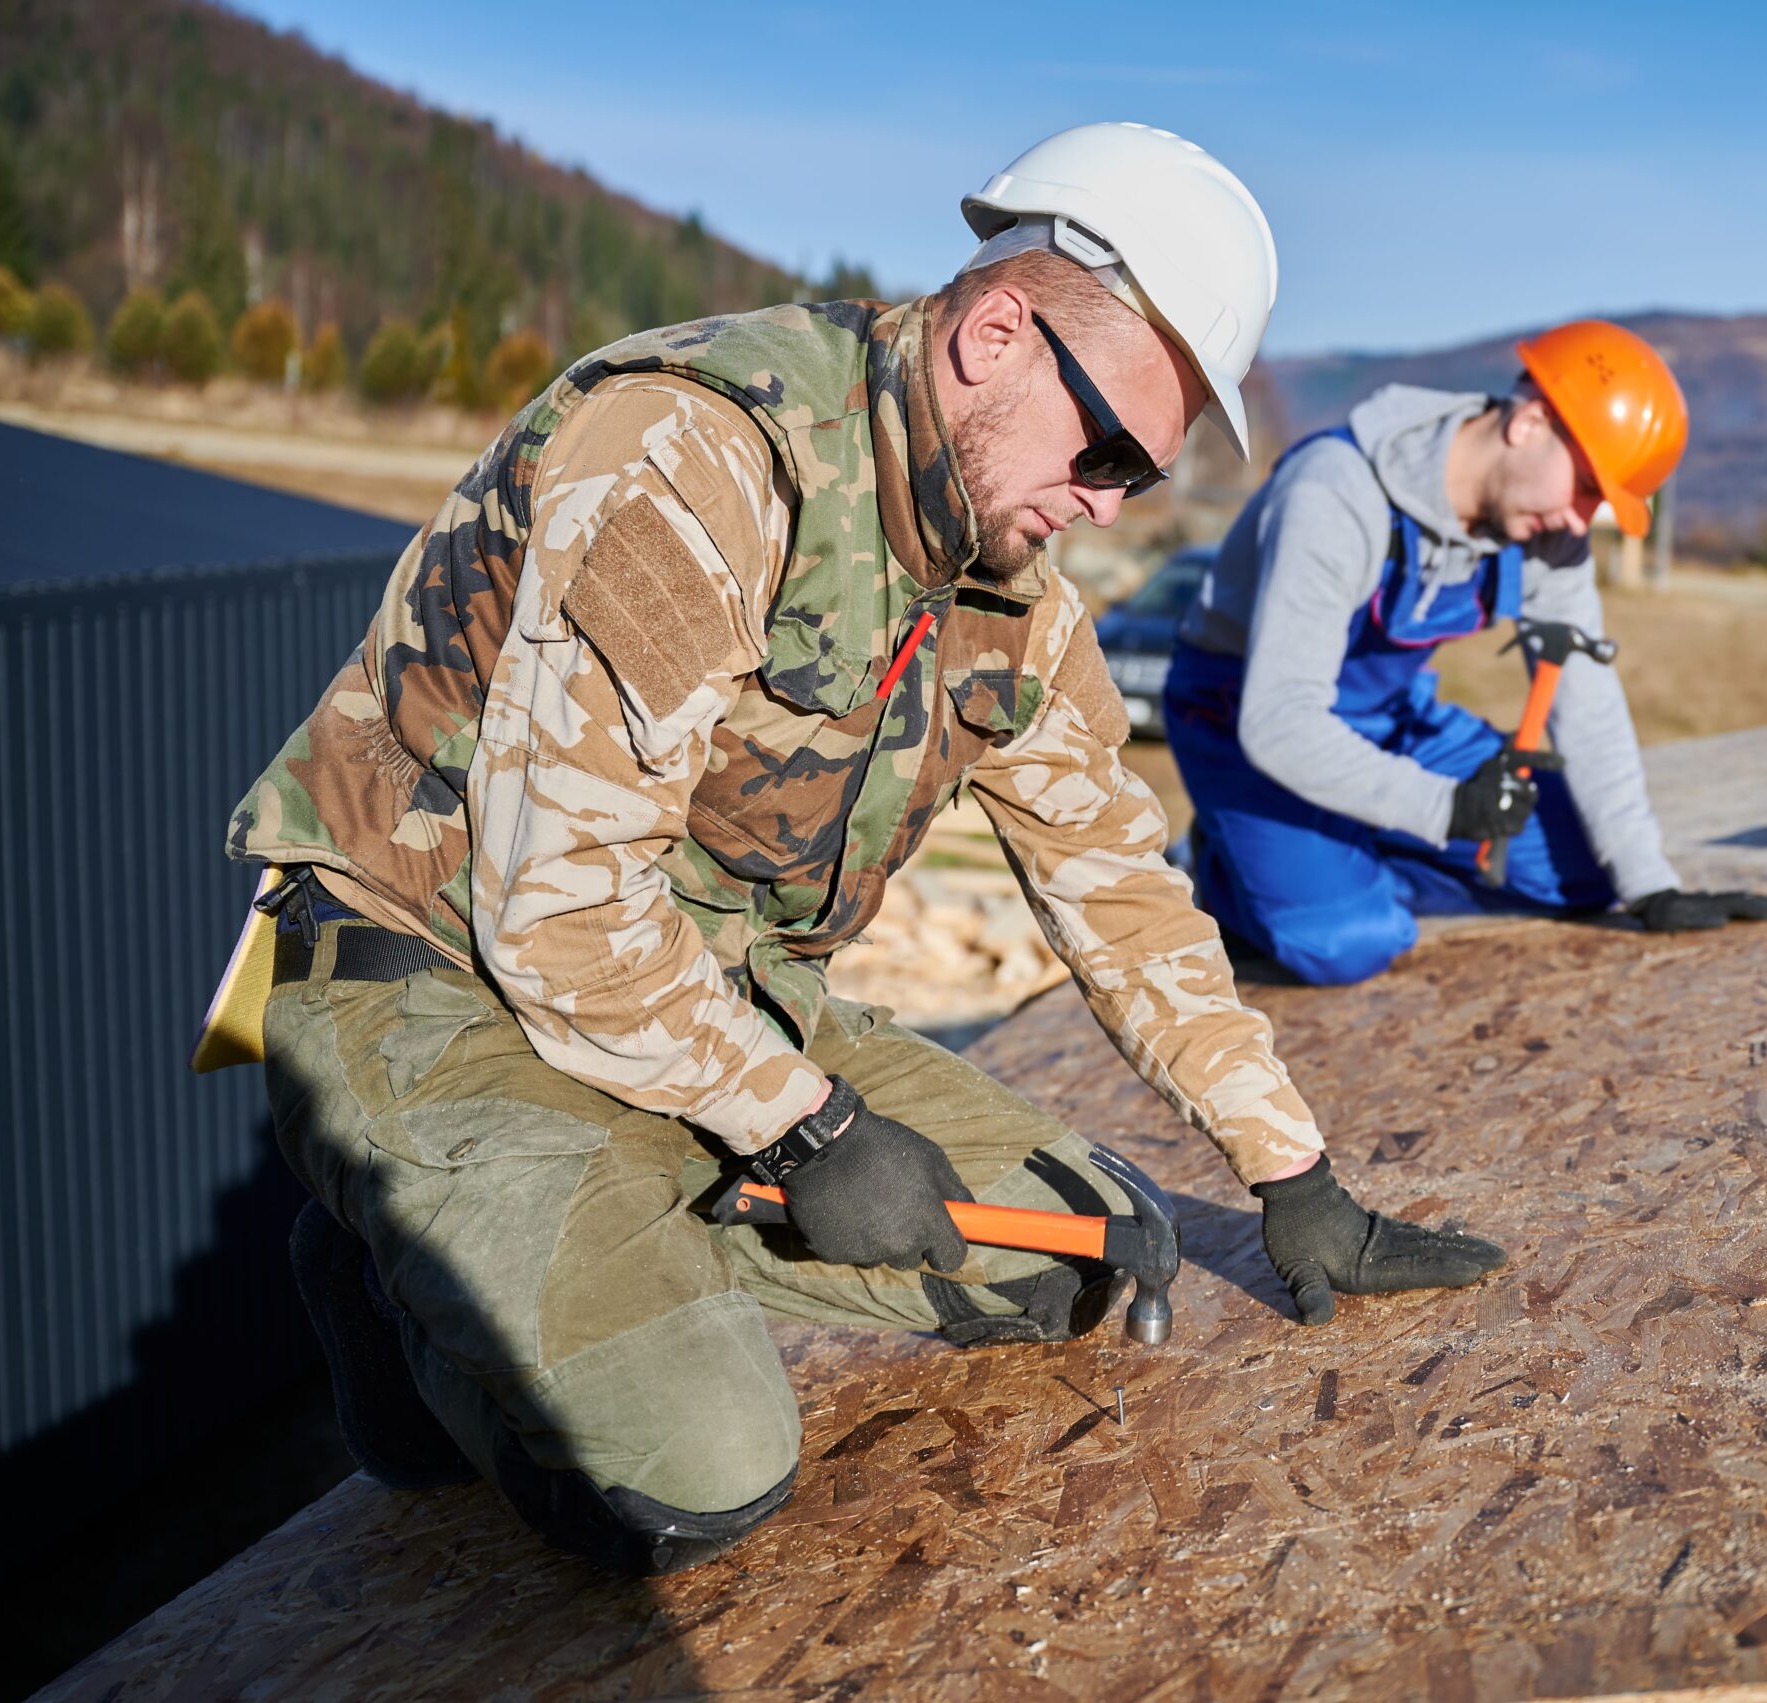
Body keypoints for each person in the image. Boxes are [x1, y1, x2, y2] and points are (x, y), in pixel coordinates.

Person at [223, 123, 1504, 1578]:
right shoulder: (701, 456)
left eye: (1136, 480)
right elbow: (561, 910)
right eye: (1103, 450)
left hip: (704, 982)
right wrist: (803, 1121)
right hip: (448, 969)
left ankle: (617, 1194)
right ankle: (405, 1278)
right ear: (997, 332)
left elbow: (1120, 890)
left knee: (1087, 1252)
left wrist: (1292, 1171)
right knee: (694, 1468)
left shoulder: (1007, 584)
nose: (1102, 503)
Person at [1164, 320, 1767, 986]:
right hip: (1244, 721)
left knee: (1582, 874)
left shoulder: (1546, 535)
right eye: (1585, 487)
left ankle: (1340, 841)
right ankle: (1221, 861)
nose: (1581, 522)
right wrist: (1443, 809)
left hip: (1388, 718)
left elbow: (1588, 702)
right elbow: (1280, 720)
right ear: (1530, 423)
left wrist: (1649, 882)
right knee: (1345, 940)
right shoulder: (1337, 493)